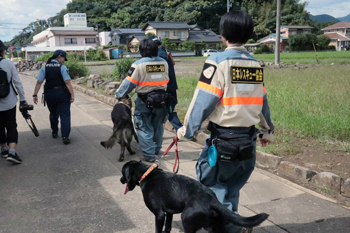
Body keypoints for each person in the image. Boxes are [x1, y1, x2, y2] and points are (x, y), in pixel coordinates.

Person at [177, 11, 274, 233]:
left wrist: (188, 131)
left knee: (212, 188)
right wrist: (267, 131)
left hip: (223, 143)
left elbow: (202, 102)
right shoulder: (255, 65)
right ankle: (236, 223)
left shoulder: (217, 62)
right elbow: (263, 103)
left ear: (222, 35)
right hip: (248, 142)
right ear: (249, 35)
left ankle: (234, 228)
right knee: (232, 188)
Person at [115, 39, 169, 162]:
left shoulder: (138, 65)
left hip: (145, 101)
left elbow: (128, 84)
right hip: (162, 100)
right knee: (158, 126)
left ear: (142, 50)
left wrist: (119, 94)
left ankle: (149, 155)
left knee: (144, 127)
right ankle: (156, 149)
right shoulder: (164, 63)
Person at [32, 50, 74, 144]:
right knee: (65, 115)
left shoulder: (45, 67)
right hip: (62, 94)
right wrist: (72, 94)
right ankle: (65, 136)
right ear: (59, 56)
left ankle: (54, 132)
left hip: (50, 94)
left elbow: (39, 82)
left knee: (53, 113)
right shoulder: (62, 67)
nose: (63, 61)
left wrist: (35, 94)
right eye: (63, 58)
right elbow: (67, 82)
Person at [0, 40, 28, 164]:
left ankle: (4, 149)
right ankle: (12, 152)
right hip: (9, 101)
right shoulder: (7, 63)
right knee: (11, 126)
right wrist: (22, 99)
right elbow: (17, 82)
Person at [152, 37, 183, 131]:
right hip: (172, 86)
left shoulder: (158, 55)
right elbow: (173, 63)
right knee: (170, 108)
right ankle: (179, 129)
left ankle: (180, 129)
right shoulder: (167, 52)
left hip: (164, 88)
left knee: (166, 110)